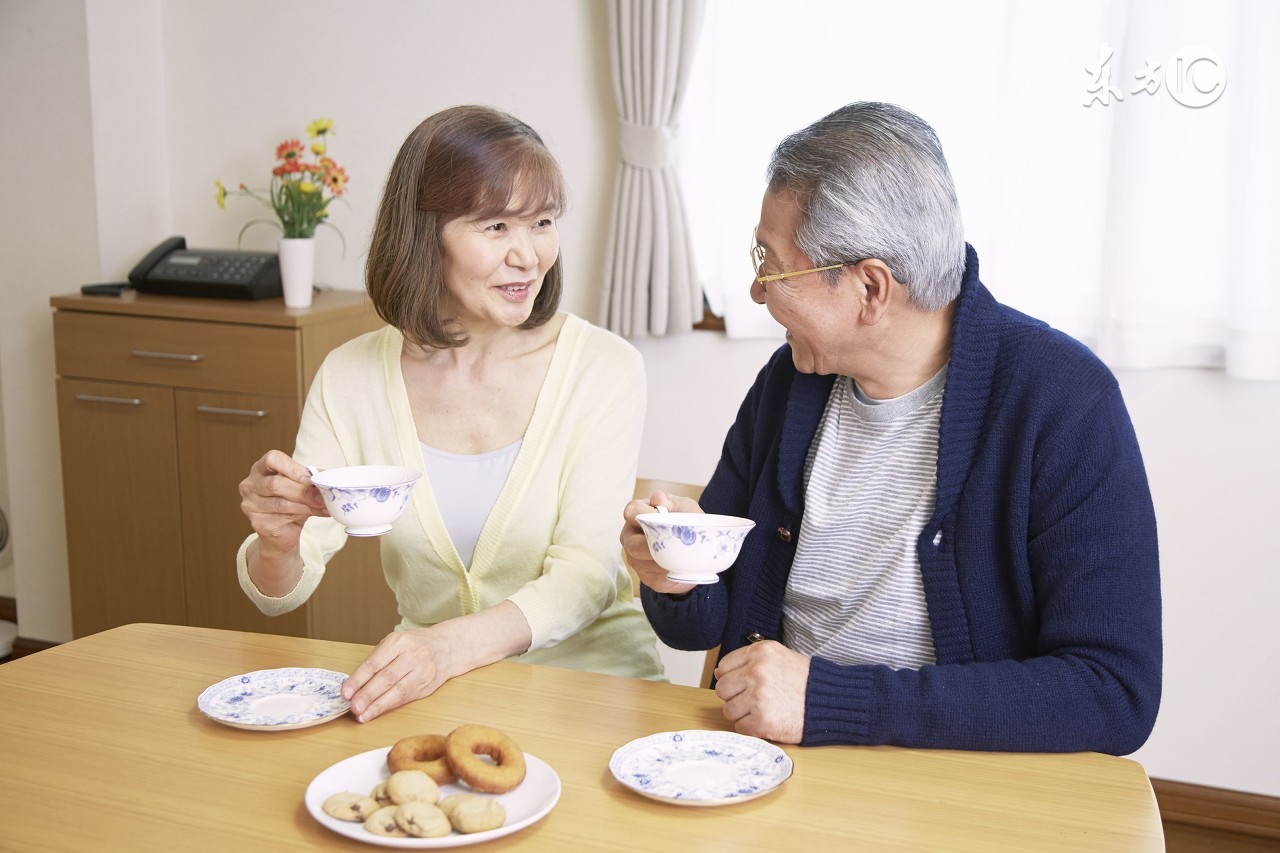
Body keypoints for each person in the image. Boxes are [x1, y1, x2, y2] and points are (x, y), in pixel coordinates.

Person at [621, 102, 1161, 755]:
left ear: (871, 287)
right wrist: (676, 571)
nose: (757, 289)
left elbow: (1113, 693)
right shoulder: (788, 383)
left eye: (772, 262)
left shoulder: (1064, 402)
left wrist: (828, 701)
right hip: (771, 761)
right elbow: (708, 620)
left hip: (956, 784)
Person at [239, 105, 664, 723]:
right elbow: (280, 594)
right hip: (442, 702)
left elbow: (586, 576)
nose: (528, 255)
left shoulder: (602, 367)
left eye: (542, 222)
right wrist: (277, 543)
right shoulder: (352, 375)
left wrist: (443, 648)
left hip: (594, 696)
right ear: (423, 233)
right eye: (495, 226)